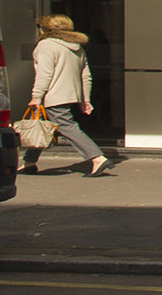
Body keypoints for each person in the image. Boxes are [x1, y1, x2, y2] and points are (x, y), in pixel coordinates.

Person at [25, 15, 111, 177]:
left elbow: (45, 74)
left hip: (52, 95)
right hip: (69, 94)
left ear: (46, 29)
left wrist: (36, 96)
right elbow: (86, 76)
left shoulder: (46, 45)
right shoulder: (77, 47)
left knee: (66, 126)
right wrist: (85, 100)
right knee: (39, 126)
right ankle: (29, 162)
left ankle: (97, 157)